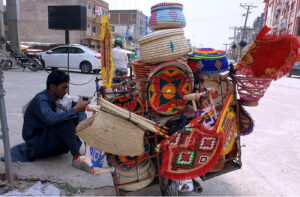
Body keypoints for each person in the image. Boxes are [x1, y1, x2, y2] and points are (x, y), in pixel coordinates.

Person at [2, 70, 89, 170]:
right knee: (65, 121)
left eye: (67, 87)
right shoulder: (40, 100)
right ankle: (76, 157)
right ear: (52, 87)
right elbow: (51, 119)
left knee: (78, 110)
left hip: (50, 141)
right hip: (37, 144)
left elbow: (76, 107)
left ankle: (88, 150)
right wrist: (76, 109)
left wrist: (82, 122)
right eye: (63, 88)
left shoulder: (59, 96)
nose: (66, 91)